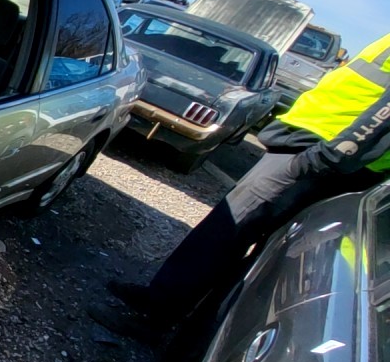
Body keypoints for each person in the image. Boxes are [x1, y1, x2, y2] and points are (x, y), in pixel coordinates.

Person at [94, 32, 390, 341]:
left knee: (229, 229)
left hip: (324, 156)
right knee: (234, 235)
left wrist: (332, 155)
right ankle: (169, 310)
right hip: (322, 152)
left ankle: (157, 319)